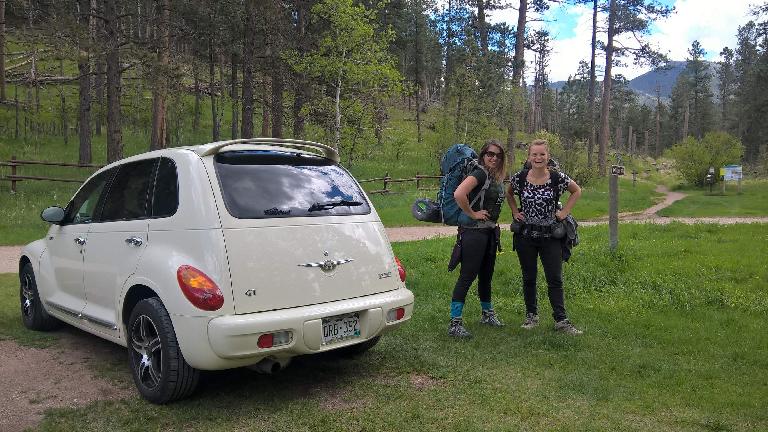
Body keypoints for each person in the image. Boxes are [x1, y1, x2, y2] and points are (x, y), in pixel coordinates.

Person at [507, 139, 583, 335]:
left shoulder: (558, 178)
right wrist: (515, 211)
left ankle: (561, 320)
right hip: (526, 236)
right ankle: (531, 316)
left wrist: (565, 211)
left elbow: (576, 191)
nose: (538, 158)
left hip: (551, 236)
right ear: (529, 157)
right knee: (529, 277)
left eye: (542, 154)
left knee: (555, 279)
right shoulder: (520, 178)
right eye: (534, 154)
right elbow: (509, 193)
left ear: (547, 156)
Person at [448, 140, 507, 338]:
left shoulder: (494, 176)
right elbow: (459, 193)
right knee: (467, 276)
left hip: (489, 231)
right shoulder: (480, 172)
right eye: (490, 154)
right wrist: (473, 214)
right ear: (483, 155)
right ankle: (455, 323)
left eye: (498, 155)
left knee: (486, 276)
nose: (494, 158)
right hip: (474, 232)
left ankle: (487, 313)